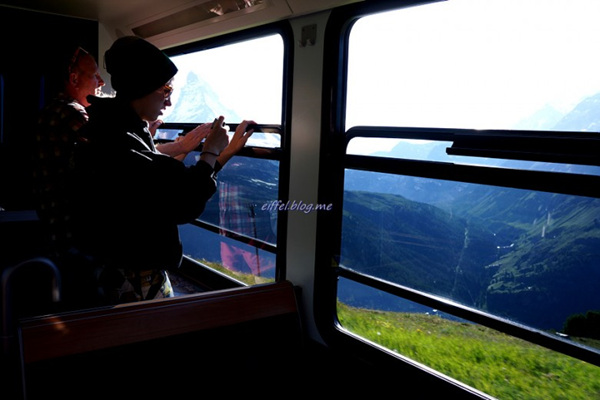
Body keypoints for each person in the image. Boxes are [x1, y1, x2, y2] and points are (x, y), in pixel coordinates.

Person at [70, 36, 255, 304]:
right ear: (141, 88)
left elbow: (160, 185)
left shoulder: (110, 128)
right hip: (133, 277)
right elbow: (183, 201)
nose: (167, 104)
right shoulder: (119, 140)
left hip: (113, 267)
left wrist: (219, 155)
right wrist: (211, 151)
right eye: (165, 91)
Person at [33, 46, 105, 259]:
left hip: (54, 228)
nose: (101, 82)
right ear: (74, 80)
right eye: (95, 76)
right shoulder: (72, 113)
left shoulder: (54, 109)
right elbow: (111, 158)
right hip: (71, 233)